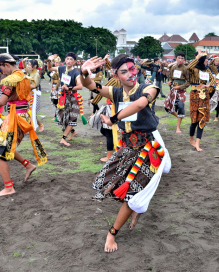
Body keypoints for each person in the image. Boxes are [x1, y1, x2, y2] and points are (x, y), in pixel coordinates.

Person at [79, 54, 170, 253]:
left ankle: (112, 233)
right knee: (114, 185)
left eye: (132, 69)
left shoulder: (148, 88)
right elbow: (90, 86)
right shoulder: (116, 92)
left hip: (148, 147)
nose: (131, 74)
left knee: (133, 194)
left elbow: (140, 104)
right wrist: (84, 72)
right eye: (124, 71)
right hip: (127, 147)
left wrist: (113, 119)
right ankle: (136, 209)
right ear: (116, 75)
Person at [0, 53, 47, 196]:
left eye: (1, 69)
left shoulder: (10, 80)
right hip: (22, 116)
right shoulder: (26, 77)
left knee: (0, 151)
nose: (1, 72)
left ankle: (9, 187)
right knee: (3, 145)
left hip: (16, 117)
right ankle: (28, 165)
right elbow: (32, 87)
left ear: (6, 65)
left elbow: (2, 102)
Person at [47, 53, 83, 146]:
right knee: (62, 117)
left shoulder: (76, 73)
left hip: (73, 98)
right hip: (63, 97)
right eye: (67, 59)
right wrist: (49, 60)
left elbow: (80, 86)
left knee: (72, 118)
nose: (69, 61)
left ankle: (63, 138)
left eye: (71, 59)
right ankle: (73, 131)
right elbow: (50, 69)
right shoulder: (61, 68)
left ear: (74, 62)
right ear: (65, 60)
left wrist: (70, 88)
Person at [187, 50, 217, 151]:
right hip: (194, 95)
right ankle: (191, 139)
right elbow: (188, 67)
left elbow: (213, 79)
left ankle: (198, 144)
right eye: (206, 59)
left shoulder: (207, 70)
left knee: (202, 118)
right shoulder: (194, 69)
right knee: (194, 120)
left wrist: (208, 85)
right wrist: (197, 57)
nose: (207, 61)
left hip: (204, 95)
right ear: (202, 60)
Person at [164, 51, 190, 133]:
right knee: (167, 107)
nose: (180, 60)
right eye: (179, 58)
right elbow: (170, 77)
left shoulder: (186, 69)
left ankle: (178, 127)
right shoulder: (173, 67)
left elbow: (188, 82)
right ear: (176, 58)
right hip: (173, 90)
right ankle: (179, 117)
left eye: (182, 58)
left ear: (184, 59)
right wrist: (169, 81)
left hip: (181, 91)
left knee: (181, 107)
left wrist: (180, 87)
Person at [23, 58, 44, 132]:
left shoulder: (36, 74)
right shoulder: (31, 72)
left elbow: (34, 86)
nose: (28, 66)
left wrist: (23, 85)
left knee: (32, 112)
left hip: (34, 94)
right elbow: (25, 69)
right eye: (28, 64)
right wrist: (23, 62)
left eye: (29, 65)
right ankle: (34, 126)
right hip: (30, 93)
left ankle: (38, 126)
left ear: (35, 66)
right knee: (30, 111)